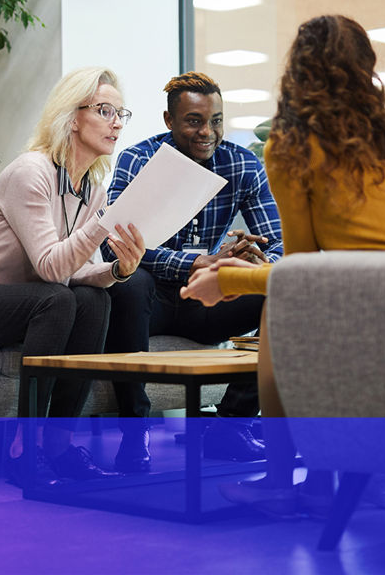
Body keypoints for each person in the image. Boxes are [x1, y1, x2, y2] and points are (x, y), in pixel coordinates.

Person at [180, 15, 385, 517]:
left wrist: (227, 279)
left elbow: (301, 271)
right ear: (365, 69)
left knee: (280, 312)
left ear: (298, 72)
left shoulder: (292, 144)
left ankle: (281, 480)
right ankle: (350, 476)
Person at [0, 67, 145, 487]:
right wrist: (103, 223)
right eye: (104, 110)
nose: (117, 122)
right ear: (72, 116)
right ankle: (23, 448)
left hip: (22, 301)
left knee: (96, 299)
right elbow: (50, 267)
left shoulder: (91, 187)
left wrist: (118, 269)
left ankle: (58, 445)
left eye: (121, 113)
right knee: (57, 298)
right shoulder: (33, 172)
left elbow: (78, 270)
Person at [101, 71, 283, 472]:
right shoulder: (138, 159)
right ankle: (135, 433)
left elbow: (279, 246)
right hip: (154, 299)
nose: (207, 132)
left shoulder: (243, 165)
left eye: (215, 120)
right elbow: (113, 244)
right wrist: (197, 262)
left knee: (282, 290)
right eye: (194, 121)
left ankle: (230, 426)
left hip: (211, 299)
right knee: (130, 283)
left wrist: (251, 263)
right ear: (169, 121)